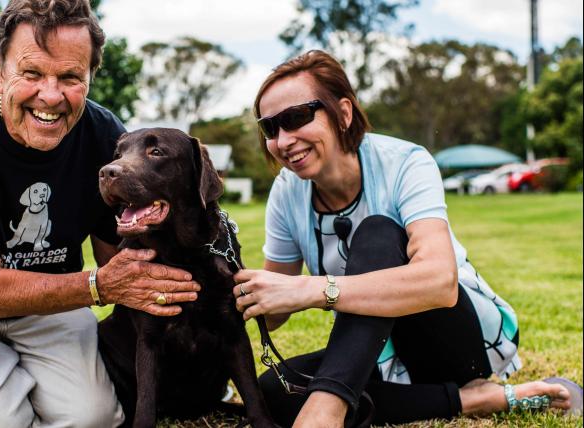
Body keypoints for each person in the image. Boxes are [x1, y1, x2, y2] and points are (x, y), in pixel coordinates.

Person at [0, 1, 199, 427]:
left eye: (70, 77)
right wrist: (101, 285)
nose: (50, 96)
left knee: (94, 419)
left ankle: (4, 380)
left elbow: (120, 256)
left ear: (89, 77)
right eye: (32, 73)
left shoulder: (105, 136)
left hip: (53, 298)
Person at [233, 50, 580, 427]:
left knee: (378, 233)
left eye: (296, 117)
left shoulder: (406, 162)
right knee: (273, 391)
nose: (284, 140)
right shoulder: (286, 192)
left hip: (451, 339)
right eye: (271, 128)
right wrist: (181, 281)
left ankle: (327, 411)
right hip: (379, 353)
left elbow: (439, 284)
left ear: (343, 113)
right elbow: (274, 308)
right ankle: (473, 400)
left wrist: (314, 289)